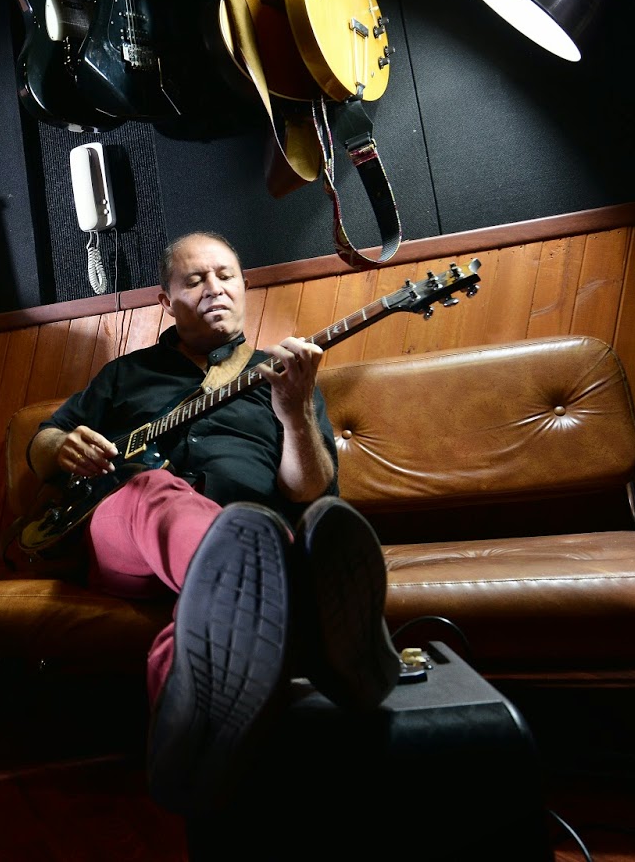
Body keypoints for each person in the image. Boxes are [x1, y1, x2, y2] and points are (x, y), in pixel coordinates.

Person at [28, 230, 402, 815]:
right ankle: (302, 603)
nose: (215, 288)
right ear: (165, 300)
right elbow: (43, 441)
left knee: (223, 592)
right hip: (129, 532)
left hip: (250, 531)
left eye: (225, 275)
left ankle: (188, 760)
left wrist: (295, 413)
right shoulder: (125, 375)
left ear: (244, 286)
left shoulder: (283, 374)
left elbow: (311, 491)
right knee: (154, 490)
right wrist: (61, 446)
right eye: (195, 279)